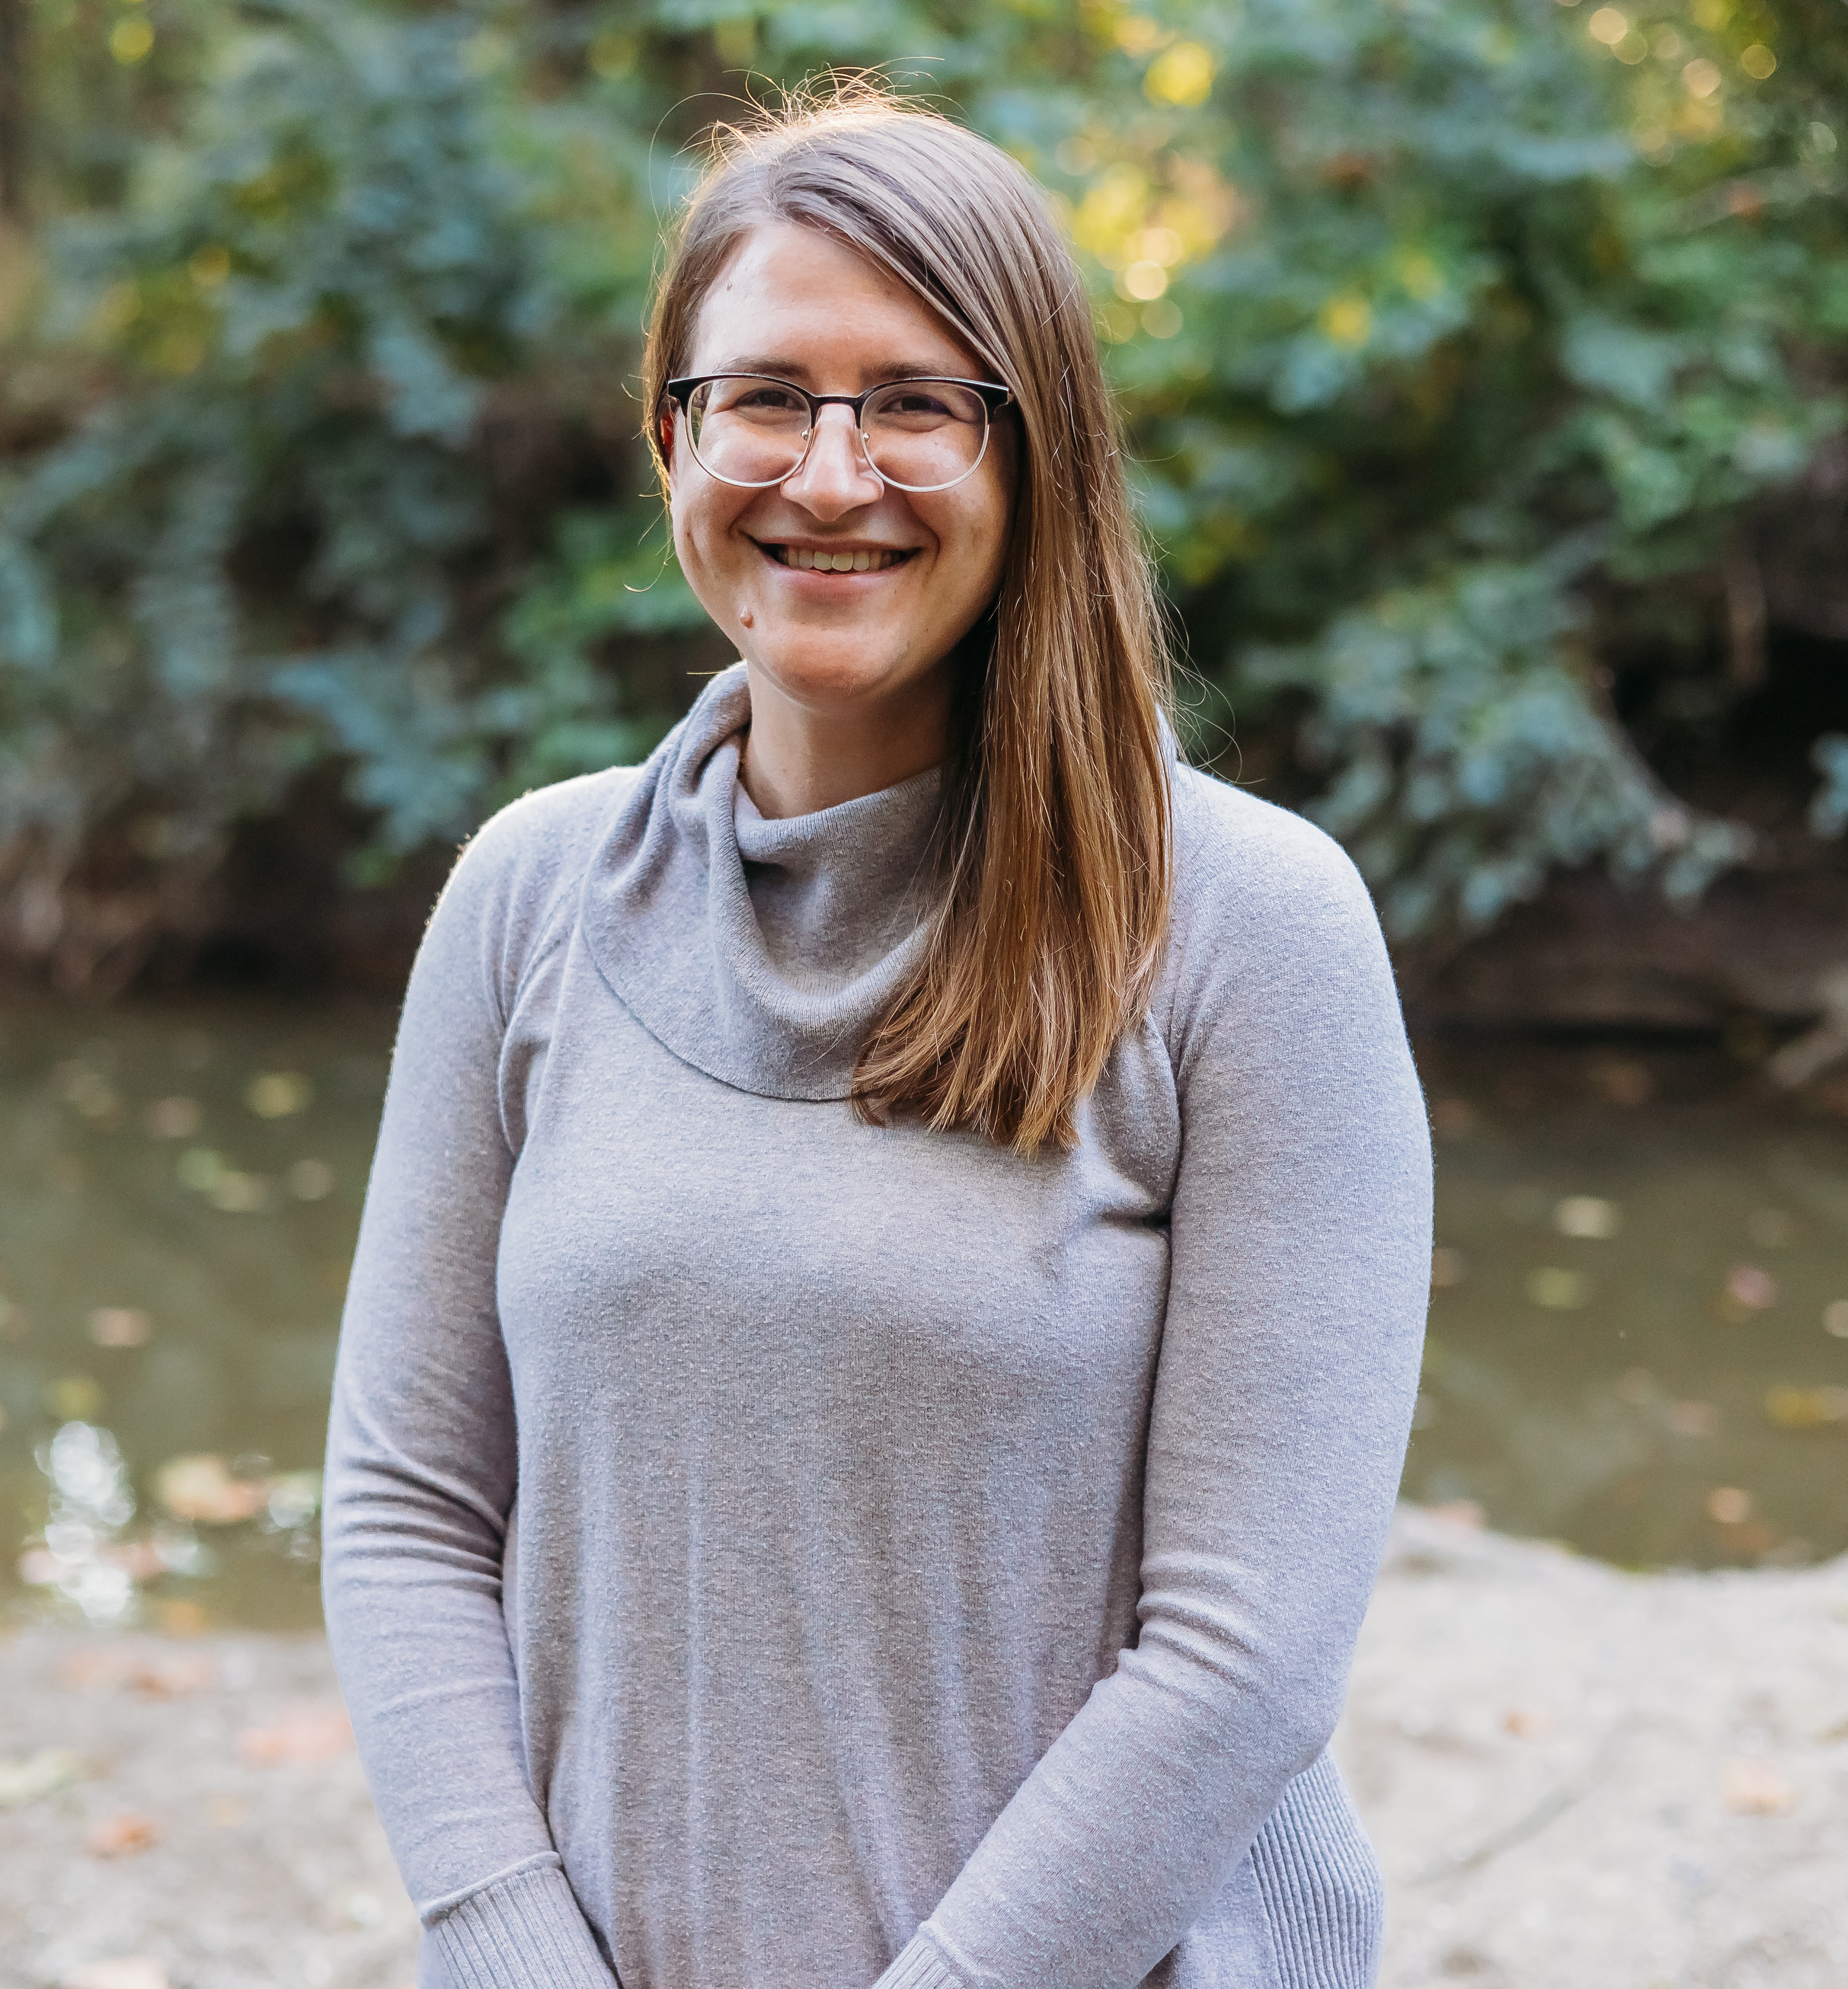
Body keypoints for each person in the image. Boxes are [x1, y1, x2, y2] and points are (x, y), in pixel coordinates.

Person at [321, 91, 1431, 1989]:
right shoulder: (529, 895)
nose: (832, 477)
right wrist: (508, 1942)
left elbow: (1241, 1649)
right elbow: (410, 1503)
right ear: (672, 435)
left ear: (1039, 454)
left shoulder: (1253, 931)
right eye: (767, 395)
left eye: (918, 401)